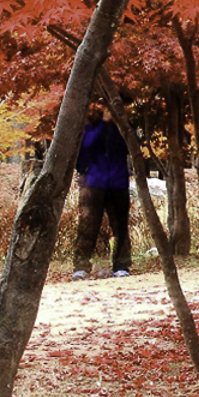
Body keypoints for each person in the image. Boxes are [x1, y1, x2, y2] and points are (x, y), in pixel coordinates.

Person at [72, 102, 132, 279]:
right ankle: (81, 267)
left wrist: (117, 124)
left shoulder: (123, 128)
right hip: (94, 182)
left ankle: (121, 266)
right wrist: (104, 124)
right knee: (87, 226)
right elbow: (87, 147)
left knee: (120, 226)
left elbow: (130, 146)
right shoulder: (90, 127)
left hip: (118, 182)